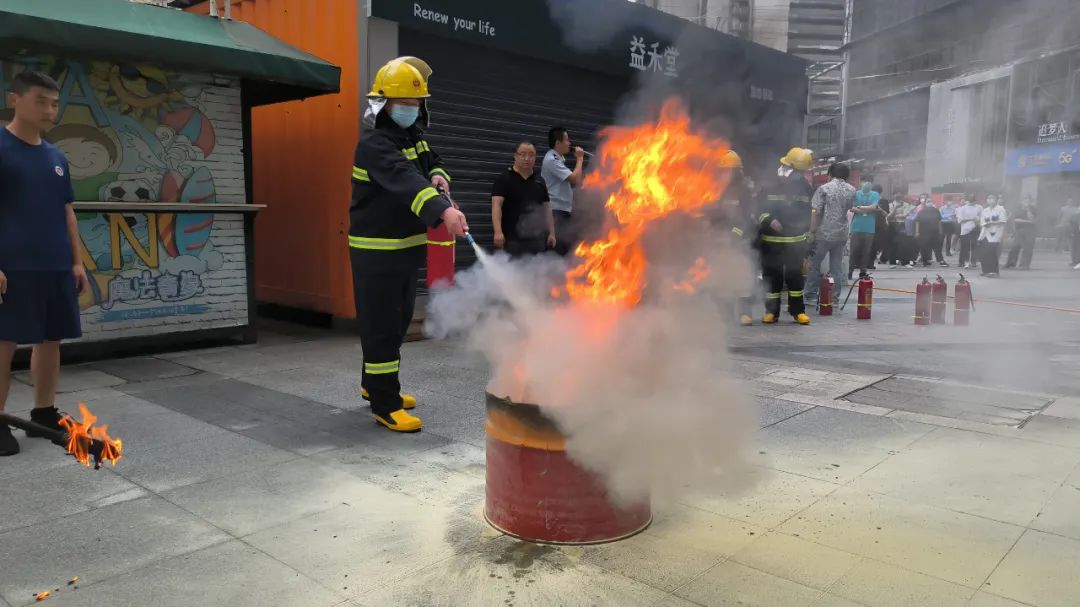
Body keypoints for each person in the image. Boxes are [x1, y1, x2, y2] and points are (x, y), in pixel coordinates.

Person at [349, 57, 468, 433]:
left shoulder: (412, 136)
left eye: (416, 104)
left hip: (403, 248)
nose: (411, 110)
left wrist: (438, 175)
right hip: (378, 250)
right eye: (404, 104)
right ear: (383, 105)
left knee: (396, 319)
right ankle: (386, 403)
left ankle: (373, 384)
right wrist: (443, 212)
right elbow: (403, 180)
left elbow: (430, 163)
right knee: (382, 325)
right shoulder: (374, 144)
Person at [0, 71, 88, 456]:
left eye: (54, 103)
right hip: (11, 265)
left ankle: (43, 413)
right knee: (3, 342)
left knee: (51, 338)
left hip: (54, 265)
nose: (50, 110)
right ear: (14, 99)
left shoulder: (56, 156)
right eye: (41, 101)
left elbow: (66, 211)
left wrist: (77, 262)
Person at [758, 147, 815, 325]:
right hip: (771, 242)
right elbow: (757, 210)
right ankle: (771, 312)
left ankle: (797, 311)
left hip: (795, 242)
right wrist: (769, 221)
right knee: (772, 278)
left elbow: (808, 212)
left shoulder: (805, 187)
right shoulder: (769, 185)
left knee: (795, 278)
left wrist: (808, 235)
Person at [491, 141, 555, 257]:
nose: (527, 158)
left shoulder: (540, 181)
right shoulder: (504, 179)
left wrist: (552, 233)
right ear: (515, 156)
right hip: (512, 240)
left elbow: (547, 209)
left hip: (537, 240)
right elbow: (496, 206)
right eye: (523, 154)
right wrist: (498, 232)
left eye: (531, 155)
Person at [805, 163, 855, 310]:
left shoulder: (824, 189)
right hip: (841, 234)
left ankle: (811, 296)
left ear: (830, 174)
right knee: (836, 268)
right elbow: (848, 209)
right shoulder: (852, 190)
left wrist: (811, 232)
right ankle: (834, 299)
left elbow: (816, 212)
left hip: (823, 233)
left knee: (814, 264)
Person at [542, 127, 585, 256]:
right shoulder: (552, 160)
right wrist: (580, 158)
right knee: (557, 252)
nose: (570, 143)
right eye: (567, 140)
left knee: (564, 250)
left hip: (562, 211)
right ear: (558, 143)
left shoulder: (558, 159)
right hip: (556, 212)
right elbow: (575, 178)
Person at [849, 180, 880, 278]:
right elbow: (851, 208)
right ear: (861, 185)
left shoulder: (875, 194)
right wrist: (868, 208)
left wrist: (860, 207)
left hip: (869, 227)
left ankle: (863, 271)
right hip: (856, 227)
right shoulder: (856, 194)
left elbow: (874, 207)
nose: (866, 185)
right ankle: (849, 270)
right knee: (854, 250)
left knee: (866, 251)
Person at [1005, 196, 1037, 270]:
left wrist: (1028, 210)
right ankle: (1011, 263)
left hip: (1030, 232)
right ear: (1022, 202)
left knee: (1028, 248)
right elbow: (1016, 220)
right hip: (1019, 231)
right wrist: (1028, 222)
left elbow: (1033, 219)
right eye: (1025, 201)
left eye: (1028, 201)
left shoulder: (1034, 209)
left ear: (1031, 202)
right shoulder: (1018, 209)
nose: (1026, 203)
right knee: (1014, 247)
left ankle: (1024, 265)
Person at [978, 194, 1007, 278]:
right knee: (983, 253)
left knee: (991, 253)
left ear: (996, 200)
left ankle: (994, 272)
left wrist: (991, 223)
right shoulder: (985, 210)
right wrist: (985, 224)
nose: (990, 200)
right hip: (985, 234)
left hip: (995, 234)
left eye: (992, 198)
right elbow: (982, 222)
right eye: (988, 198)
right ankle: (986, 271)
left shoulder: (1000, 209)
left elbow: (1003, 221)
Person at [914, 194, 947, 267]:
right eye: (928, 201)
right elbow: (917, 222)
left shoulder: (936, 211)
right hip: (924, 232)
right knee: (924, 247)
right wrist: (917, 232)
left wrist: (940, 231)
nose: (930, 202)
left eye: (930, 201)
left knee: (937, 247)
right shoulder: (921, 211)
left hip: (934, 232)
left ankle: (941, 260)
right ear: (925, 203)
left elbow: (939, 221)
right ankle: (925, 261)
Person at [956, 195, 982, 269]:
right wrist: (971, 219)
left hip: (975, 228)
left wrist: (978, 220)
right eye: (972, 202)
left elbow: (981, 217)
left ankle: (974, 261)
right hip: (965, 230)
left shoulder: (978, 207)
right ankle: (964, 262)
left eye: (975, 201)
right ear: (968, 201)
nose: (974, 203)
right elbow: (960, 220)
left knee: (974, 246)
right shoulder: (962, 209)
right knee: (965, 247)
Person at [871, 184, 890, 268]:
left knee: (872, 243)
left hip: (873, 224)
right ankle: (871, 262)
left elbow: (885, 213)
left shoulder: (871, 199)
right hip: (879, 224)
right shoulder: (884, 201)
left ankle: (872, 261)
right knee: (874, 244)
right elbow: (886, 213)